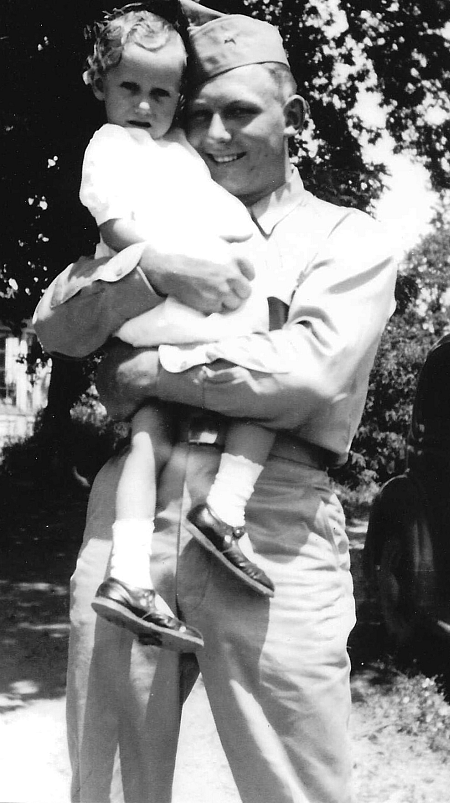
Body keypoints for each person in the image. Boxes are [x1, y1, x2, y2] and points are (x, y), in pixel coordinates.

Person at [34, 10, 397, 803]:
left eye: (239, 112)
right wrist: (153, 272)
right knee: (110, 780)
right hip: (133, 522)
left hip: (271, 518)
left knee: (294, 783)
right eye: (197, 114)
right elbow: (55, 321)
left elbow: (304, 372)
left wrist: (150, 370)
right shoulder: (155, 207)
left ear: (294, 116)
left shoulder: (346, 237)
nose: (215, 134)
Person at [78, 2, 276, 652]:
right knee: (266, 370)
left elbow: (215, 211)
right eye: (129, 88)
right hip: (159, 295)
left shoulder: (178, 153)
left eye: (161, 93)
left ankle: (129, 574)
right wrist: (178, 266)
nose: (143, 105)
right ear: (100, 85)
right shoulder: (110, 145)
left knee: (150, 436)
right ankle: (226, 508)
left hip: (160, 316)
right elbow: (114, 225)